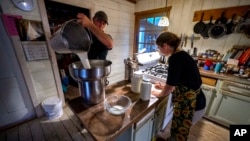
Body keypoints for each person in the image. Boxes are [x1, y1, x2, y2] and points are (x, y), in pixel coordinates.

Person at [152, 31, 206, 141]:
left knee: (180, 131)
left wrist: (160, 94)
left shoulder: (175, 59)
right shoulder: (182, 55)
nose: (158, 50)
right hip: (195, 98)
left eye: (159, 47)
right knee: (177, 128)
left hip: (192, 103)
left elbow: (171, 85)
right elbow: (183, 81)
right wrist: (165, 87)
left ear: (165, 46)